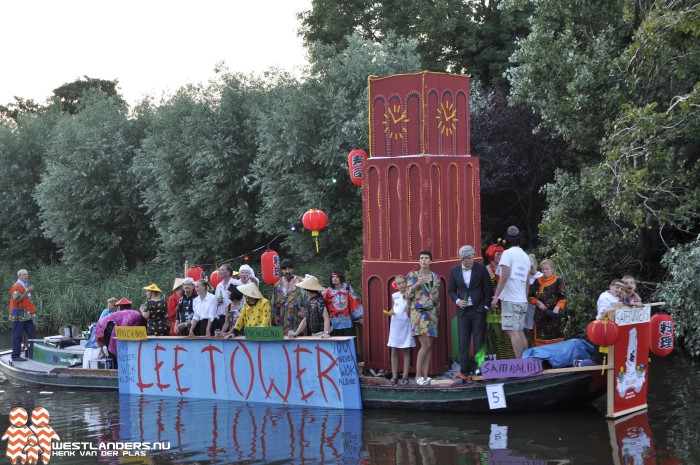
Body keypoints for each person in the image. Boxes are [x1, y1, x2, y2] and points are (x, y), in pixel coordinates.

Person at [449, 245, 492, 382]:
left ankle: (479, 368)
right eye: (468, 258)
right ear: (462, 258)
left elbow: (488, 288)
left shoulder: (481, 268)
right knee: (463, 342)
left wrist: (485, 306)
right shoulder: (454, 271)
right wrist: (457, 301)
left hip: (478, 310)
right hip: (463, 311)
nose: (471, 260)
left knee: (479, 341)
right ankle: (464, 371)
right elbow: (451, 289)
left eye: (472, 257)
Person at [492, 226, 531, 359]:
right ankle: (527, 362)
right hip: (522, 300)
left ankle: (520, 364)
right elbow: (527, 281)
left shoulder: (507, 254)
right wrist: (524, 297)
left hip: (511, 299)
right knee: (519, 331)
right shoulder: (526, 256)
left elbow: (504, 276)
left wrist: (495, 297)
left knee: (512, 332)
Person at [406, 250, 440, 386]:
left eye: (426, 258)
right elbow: (407, 294)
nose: (424, 260)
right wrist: (416, 284)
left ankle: (426, 375)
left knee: (430, 346)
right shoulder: (412, 275)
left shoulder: (435, 276)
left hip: (432, 313)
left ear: (431, 261)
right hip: (419, 313)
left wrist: (437, 313)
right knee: (425, 345)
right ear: (419, 261)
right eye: (422, 258)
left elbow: (437, 296)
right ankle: (418, 375)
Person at [528, 259, 567, 346]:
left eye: (547, 269)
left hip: (553, 315)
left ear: (552, 269)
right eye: (543, 269)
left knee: (555, 343)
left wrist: (557, 307)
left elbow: (563, 297)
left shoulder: (558, 281)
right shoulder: (537, 281)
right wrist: (538, 303)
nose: (545, 271)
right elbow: (530, 296)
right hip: (540, 316)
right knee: (540, 342)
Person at [386, 275, 414, 385]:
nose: (402, 285)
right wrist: (391, 311)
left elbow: (408, 313)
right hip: (395, 325)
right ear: (396, 286)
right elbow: (395, 307)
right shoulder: (395, 296)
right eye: (399, 283)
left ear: (407, 283)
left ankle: (405, 376)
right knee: (394, 350)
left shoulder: (410, 295)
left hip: (406, 325)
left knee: (406, 350)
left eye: (403, 282)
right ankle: (394, 376)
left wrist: (408, 300)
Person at [322, 270, 364, 336]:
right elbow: (323, 306)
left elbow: (354, 301)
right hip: (334, 322)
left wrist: (359, 317)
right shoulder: (327, 292)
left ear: (341, 278)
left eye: (336, 277)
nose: (334, 279)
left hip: (347, 321)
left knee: (347, 342)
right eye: (333, 277)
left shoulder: (347, 288)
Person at [271, 258, 307, 332]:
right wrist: (275, 315)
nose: (287, 271)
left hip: (297, 316)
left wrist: (305, 310)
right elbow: (274, 302)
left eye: (289, 269)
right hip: (282, 316)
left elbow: (307, 297)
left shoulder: (301, 281)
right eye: (285, 269)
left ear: (292, 269)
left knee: (298, 338)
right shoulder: (277, 284)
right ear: (282, 270)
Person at [9, 269, 36, 362]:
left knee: (31, 333)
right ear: (19, 276)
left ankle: (29, 353)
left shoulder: (24, 285)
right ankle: (15, 356)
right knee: (17, 335)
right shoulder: (16, 286)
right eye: (24, 274)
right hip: (18, 313)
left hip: (26, 313)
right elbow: (17, 299)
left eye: (27, 274)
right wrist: (28, 291)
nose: (26, 276)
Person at [213, 264, 240, 333]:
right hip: (222, 315)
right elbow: (215, 302)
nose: (219, 272)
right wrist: (218, 302)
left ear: (228, 272)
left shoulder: (236, 283)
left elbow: (241, 298)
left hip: (235, 315)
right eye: (219, 270)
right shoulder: (219, 286)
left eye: (222, 270)